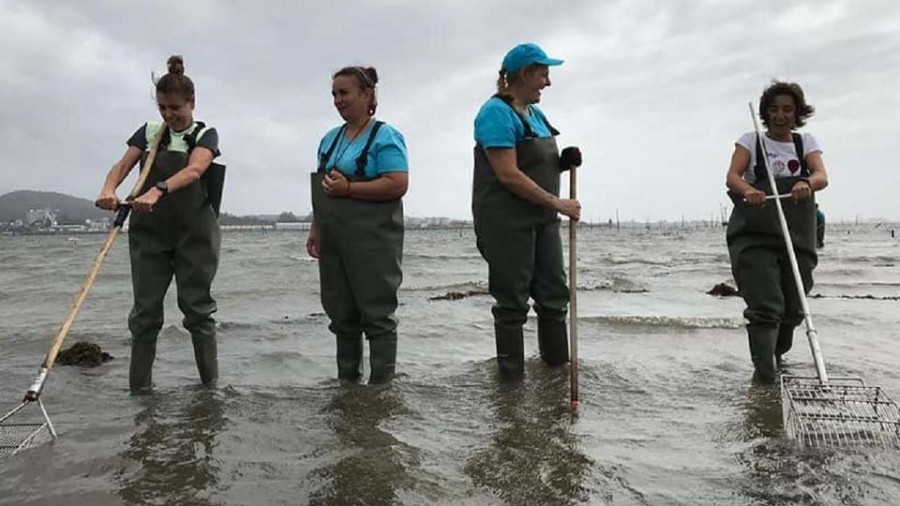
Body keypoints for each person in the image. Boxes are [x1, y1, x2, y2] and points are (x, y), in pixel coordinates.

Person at [95, 55, 224, 392]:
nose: (169, 114)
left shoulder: (204, 134)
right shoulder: (150, 133)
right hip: (149, 237)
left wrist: (158, 189)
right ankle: (139, 394)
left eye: (175, 108)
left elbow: (196, 170)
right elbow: (123, 165)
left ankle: (209, 391)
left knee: (197, 311)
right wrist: (109, 189)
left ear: (192, 103)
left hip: (194, 236)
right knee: (145, 315)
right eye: (163, 107)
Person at [472, 43, 583, 379]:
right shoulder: (495, 113)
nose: (547, 82)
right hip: (506, 224)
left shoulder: (534, 114)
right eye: (543, 74)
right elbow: (508, 174)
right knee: (512, 304)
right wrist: (557, 203)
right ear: (523, 74)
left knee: (553, 296)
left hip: (542, 222)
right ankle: (511, 387)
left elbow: (537, 164)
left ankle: (555, 375)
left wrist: (562, 163)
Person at [307, 66, 408, 384]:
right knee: (342, 315)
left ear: (366, 95)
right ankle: (347, 389)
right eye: (334, 94)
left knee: (378, 316)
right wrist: (316, 228)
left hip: (374, 242)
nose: (338, 100)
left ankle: (381, 391)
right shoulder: (328, 140)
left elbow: (397, 183)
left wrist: (349, 189)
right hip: (334, 241)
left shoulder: (386, 136)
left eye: (344, 92)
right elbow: (323, 191)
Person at [725, 81, 829, 384]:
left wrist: (806, 184)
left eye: (787, 109)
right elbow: (733, 176)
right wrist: (749, 190)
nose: (780, 115)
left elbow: (821, 175)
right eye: (773, 109)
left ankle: (777, 356)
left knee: (794, 305)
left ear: (797, 113)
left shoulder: (805, 143)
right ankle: (765, 377)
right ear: (765, 113)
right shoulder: (751, 141)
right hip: (755, 233)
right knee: (766, 304)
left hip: (797, 235)